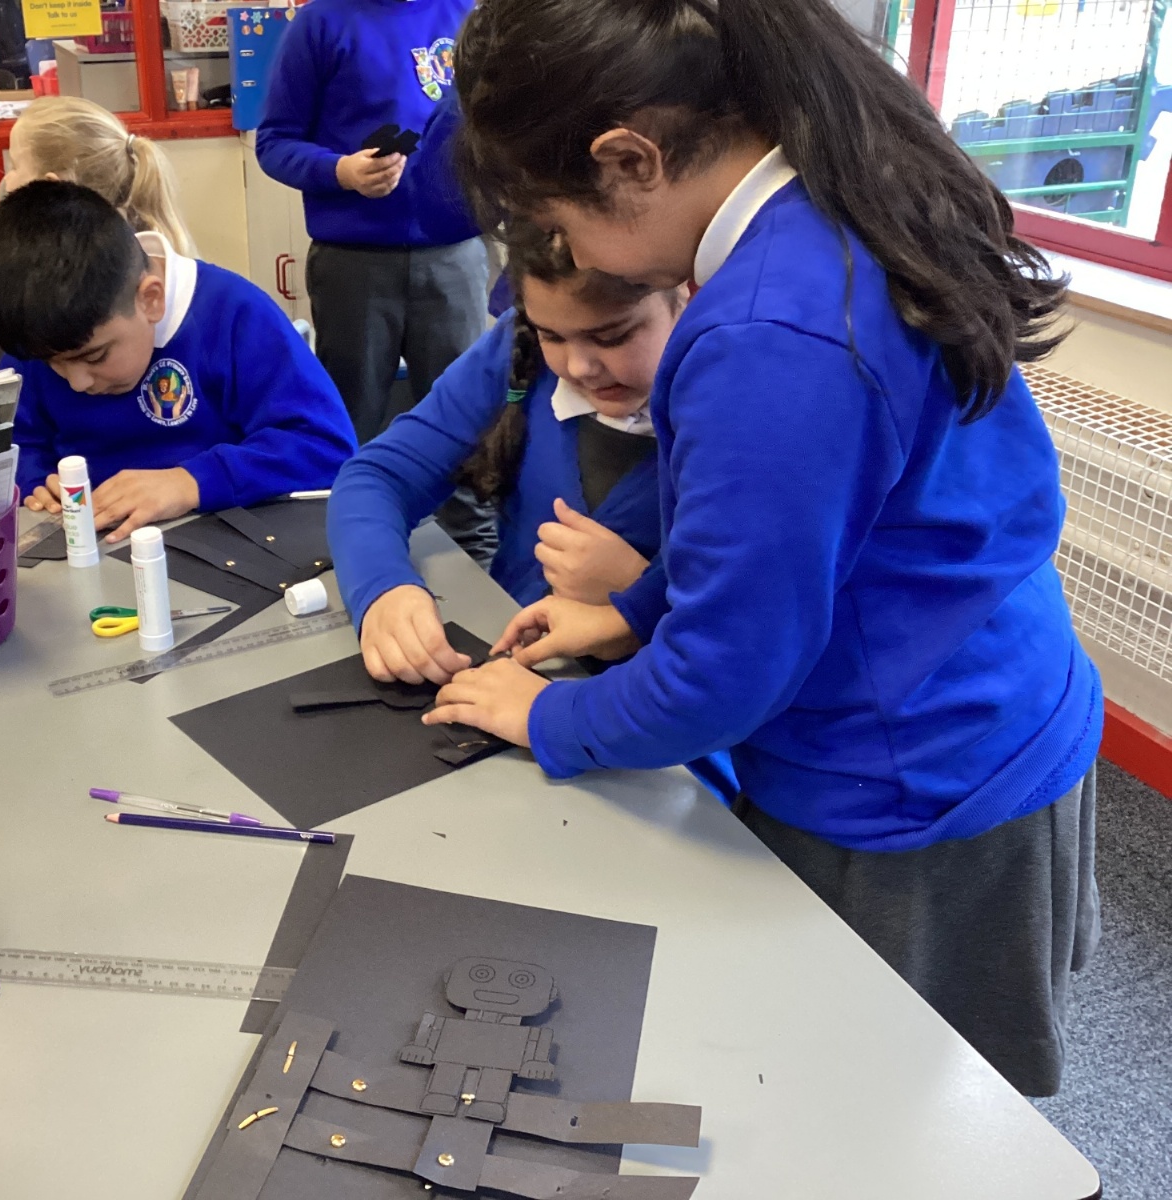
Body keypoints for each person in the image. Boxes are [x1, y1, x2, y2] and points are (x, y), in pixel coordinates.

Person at [433, 0, 1100, 1099]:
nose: (571, 252)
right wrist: (634, 611)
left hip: (912, 775)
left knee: (883, 1101)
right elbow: (809, 527)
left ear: (629, 160)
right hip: (992, 686)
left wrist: (545, 715)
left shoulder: (766, 335)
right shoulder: (841, 192)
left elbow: (722, 681)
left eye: (555, 214)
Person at [331, 219, 680, 684]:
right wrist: (383, 589)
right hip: (509, 674)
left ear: (685, 297)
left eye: (613, 336)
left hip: (648, 707)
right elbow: (377, 477)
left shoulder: (740, 420)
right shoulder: (516, 350)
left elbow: (750, 632)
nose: (580, 366)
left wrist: (640, 601)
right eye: (552, 336)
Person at [0, 181, 356, 544]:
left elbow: (326, 446)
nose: (77, 382)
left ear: (151, 300)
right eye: (53, 364)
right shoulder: (43, 329)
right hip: (88, 545)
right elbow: (9, 445)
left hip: (220, 542)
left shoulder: (235, 315)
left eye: (95, 356)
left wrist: (191, 482)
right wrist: (33, 481)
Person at [256, 0, 495, 561]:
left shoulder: (468, 14)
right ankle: (350, 551)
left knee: (468, 419)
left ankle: (478, 556)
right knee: (350, 420)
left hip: (455, 255)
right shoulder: (320, 23)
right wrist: (339, 171)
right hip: (353, 263)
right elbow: (274, 141)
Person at [0, 95, 194, 368]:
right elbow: (9, 292)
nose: (6, 181)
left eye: (15, 167)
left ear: (49, 186)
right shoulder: (98, 249)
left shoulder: (101, 273)